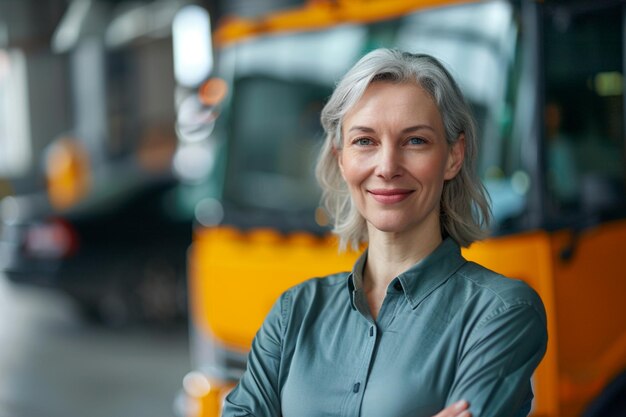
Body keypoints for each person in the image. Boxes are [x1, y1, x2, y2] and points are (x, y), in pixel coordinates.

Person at [222, 49, 547, 417]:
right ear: (341, 158)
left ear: (454, 157)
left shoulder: (502, 312)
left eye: (415, 141)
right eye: (365, 141)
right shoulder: (293, 311)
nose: (388, 166)